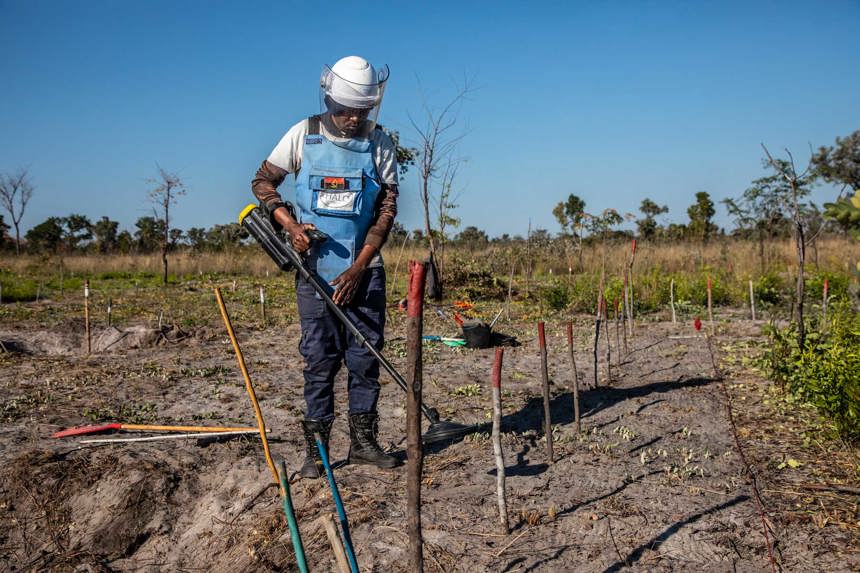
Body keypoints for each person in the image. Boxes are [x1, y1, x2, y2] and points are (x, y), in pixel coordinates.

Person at [252, 56, 400, 478]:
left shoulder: (380, 143)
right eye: (345, 109)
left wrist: (359, 267)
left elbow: (386, 210)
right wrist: (290, 224)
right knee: (319, 360)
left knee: (365, 357)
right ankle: (316, 450)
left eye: (362, 110)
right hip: (315, 272)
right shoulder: (304, 134)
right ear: (329, 99)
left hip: (365, 272)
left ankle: (363, 444)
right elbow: (262, 181)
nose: (353, 118)